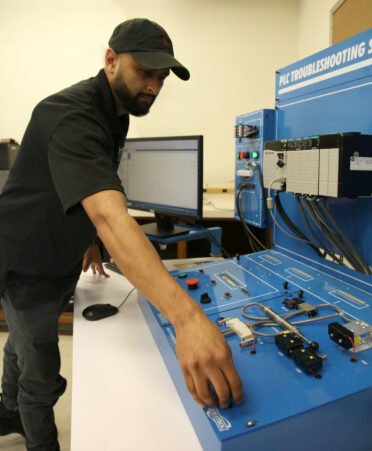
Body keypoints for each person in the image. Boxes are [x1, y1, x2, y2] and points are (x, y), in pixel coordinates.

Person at [0, 18, 243, 450]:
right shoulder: (71, 115)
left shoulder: (115, 112)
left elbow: (83, 188)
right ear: (110, 60)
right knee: (39, 373)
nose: (153, 85)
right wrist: (187, 318)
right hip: (25, 265)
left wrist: (88, 238)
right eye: (145, 72)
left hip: (58, 258)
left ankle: (5, 410)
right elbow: (112, 216)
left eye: (161, 77)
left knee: (21, 346)